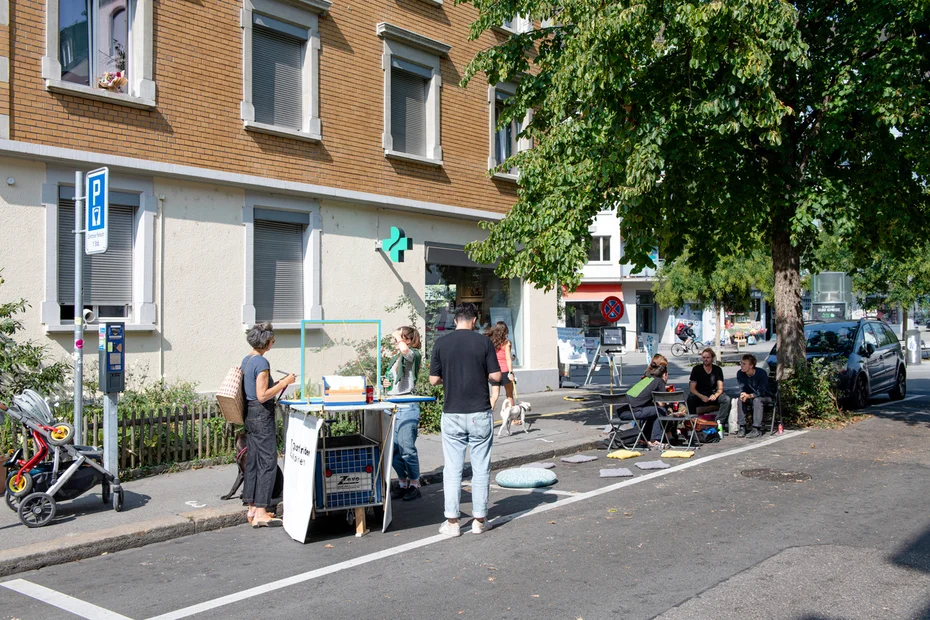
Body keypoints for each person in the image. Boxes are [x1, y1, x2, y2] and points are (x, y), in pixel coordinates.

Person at [429, 303, 501, 537]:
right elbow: (495, 376)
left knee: (452, 469)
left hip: (452, 412)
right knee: (481, 468)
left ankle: (452, 523)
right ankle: (480, 521)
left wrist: (449, 376)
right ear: (474, 320)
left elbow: (432, 380)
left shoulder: (441, 343)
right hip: (479, 411)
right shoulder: (484, 342)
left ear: (455, 319)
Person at [242, 322, 294, 528]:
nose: (273, 343)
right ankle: (262, 511)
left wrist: (277, 383)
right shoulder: (262, 363)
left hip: (250, 414)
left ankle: (253, 508)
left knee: (254, 461)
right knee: (268, 462)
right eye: (272, 340)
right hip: (261, 415)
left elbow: (254, 391)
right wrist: (284, 383)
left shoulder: (247, 360)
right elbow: (262, 395)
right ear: (266, 342)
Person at [384, 326, 423, 501]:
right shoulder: (396, 358)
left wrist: (397, 335)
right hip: (391, 405)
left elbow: (406, 351)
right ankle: (402, 482)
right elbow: (392, 379)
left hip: (407, 406)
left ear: (406, 340)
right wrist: (386, 382)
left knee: (407, 448)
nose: (395, 341)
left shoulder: (413, 355)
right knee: (392, 449)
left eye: (399, 338)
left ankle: (415, 484)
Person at [624, 362, 669, 448]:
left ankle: (645, 437)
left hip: (623, 410)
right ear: (664, 374)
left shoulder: (646, 379)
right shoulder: (659, 381)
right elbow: (662, 403)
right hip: (633, 411)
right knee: (660, 410)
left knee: (651, 411)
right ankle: (655, 440)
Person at [686, 348, 731, 427]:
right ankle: (693, 421)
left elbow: (720, 388)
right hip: (700, 395)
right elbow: (692, 389)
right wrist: (701, 396)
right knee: (691, 397)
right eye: (704, 357)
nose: (705, 359)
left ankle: (719, 422)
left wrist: (715, 395)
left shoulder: (717, 370)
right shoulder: (696, 369)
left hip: (713, 395)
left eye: (708, 357)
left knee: (726, 399)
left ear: (712, 358)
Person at [735, 354, 772, 438]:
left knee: (757, 400)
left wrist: (749, 395)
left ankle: (756, 428)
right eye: (741, 363)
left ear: (751, 366)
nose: (742, 365)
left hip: (765, 396)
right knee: (740, 399)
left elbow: (762, 391)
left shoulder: (761, 373)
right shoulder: (740, 373)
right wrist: (743, 394)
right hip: (750, 396)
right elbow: (742, 387)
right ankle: (742, 427)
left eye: (744, 364)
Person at [486, 322, 515, 414]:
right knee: (509, 395)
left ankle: (488, 416)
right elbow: (508, 359)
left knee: (494, 396)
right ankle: (512, 419)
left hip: (494, 371)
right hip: (505, 371)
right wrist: (511, 373)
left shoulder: (491, 342)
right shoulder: (506, 343)